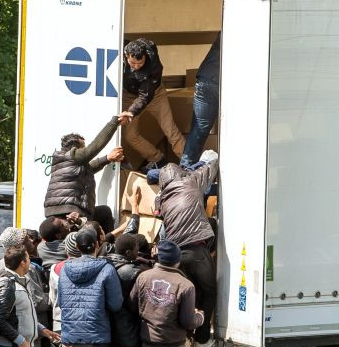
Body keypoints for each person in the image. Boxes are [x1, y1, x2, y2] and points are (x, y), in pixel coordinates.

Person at [155, 151, 219, 347]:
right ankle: (201, 340)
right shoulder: (190, 182)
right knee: (209, 292)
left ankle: (184, 337)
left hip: (177, 256)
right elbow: (212, 164)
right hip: (196, 248)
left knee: (186, 294)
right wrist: (206, 158)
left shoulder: (161, 199)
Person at [43, 115, 129, 219]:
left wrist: (107, 158)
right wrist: (114, 123)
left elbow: (89, 168)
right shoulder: (73, 155)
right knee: (101, 217)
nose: (85, 150)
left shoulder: (66, 160)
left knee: (104, 212)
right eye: (83, 147)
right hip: (69, 210)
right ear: (75, 148)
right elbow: (95, 146)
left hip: (61, 209)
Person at [119, 38, 186, 170]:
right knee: (130, 136)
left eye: (140, 63)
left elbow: (145, 95)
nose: (137, 67)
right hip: (129, 95)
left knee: (170, 130)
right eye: (133, 63)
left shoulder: (153, 63)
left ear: (145, 56)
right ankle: (158, 159)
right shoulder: (118, 50)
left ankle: (190, 165)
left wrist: (131, 111)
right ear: (126, 55)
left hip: (154, 94)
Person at [180, 33, 220, 168]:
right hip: (220, 81)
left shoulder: (227, 27)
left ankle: (185, 169)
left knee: (198, 129)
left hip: (205, 79)